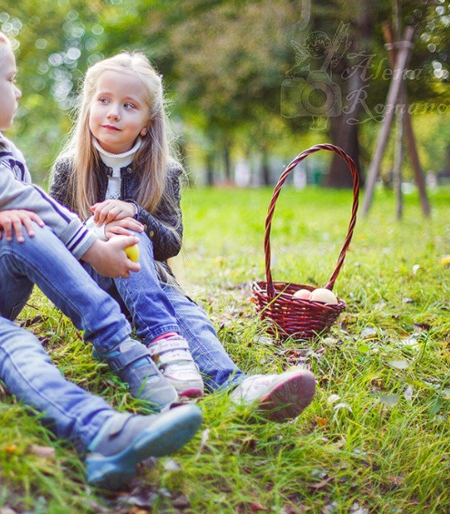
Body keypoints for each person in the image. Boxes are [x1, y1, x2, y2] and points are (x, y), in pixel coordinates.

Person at [0, 22, 202, 490]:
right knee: (16, 343)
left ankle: (125, 354)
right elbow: (24, 196)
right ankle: (105, 432)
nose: (17, 91)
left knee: (23, 226)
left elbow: (19, 204)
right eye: (10, 80)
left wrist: (1, 223)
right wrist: (95, 250)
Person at [49, 52, 316, 422]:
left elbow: (170, 243)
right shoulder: (69, 169)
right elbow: (52, 241)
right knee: (127, 233)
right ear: (89, 107)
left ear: (146, 123)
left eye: (128, 105)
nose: (113, 113)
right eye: (104, 100)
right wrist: (99, 234)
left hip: (150, 285)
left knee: (188, 314)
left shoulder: (164, 172)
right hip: (91, 285)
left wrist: (136, 213)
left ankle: (237, 386)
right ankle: (163, 340)